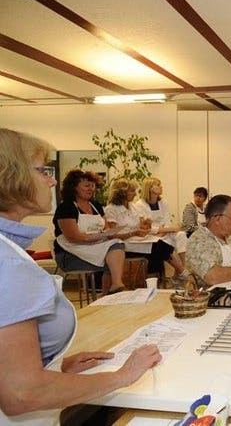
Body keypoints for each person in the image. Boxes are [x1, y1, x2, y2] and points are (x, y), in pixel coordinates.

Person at [0, 128, 160, 424]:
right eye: (43, 170)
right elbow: (22, 393)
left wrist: (58, 365)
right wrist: (123, 375)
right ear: (10, 177)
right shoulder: (8, 263)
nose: (51, 180)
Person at [53, 169, 126, 294]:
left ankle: (114, 288)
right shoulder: (66, 207)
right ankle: (111, 293)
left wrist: (113, 233)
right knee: (112, 262)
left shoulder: (96, 205)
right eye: (87, 186)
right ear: (74, 187)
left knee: (117, 245)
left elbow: (106, 228)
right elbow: (73, 237)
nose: (91, 189)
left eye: (93, 186)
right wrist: (97, 236)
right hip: (70, 254)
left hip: (94, 247)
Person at [104, 178, 184, 279]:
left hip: (137, 239)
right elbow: (112, 235)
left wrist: (146, 226)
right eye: (132, 191)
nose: (135, 194)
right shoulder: (111, 209)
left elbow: (142, 225)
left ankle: (164, 277)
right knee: (159, 246)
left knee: (161, 245)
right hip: (124, 242)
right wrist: (134, 233)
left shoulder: (132, 206)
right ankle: (182, 273)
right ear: (122, 193)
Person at [134, 177, 189, 283]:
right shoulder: (139, 205)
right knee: (162, 243)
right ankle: (182, 272)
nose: (161, 187)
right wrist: (161, 231)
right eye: (158, 185)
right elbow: (145, 227)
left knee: (181, 235)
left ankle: (180, 271)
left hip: (164, 232)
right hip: (151, 235)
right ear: (149, 188)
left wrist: (164, 231)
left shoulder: (163, 202)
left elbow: (167, 221)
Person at [186, 194, 231, 288]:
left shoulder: (229, 237)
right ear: (217, 219)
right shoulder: (200, 240)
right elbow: (213, 277)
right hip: (214, 298)